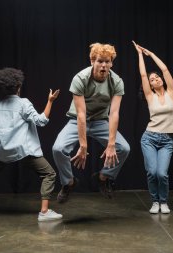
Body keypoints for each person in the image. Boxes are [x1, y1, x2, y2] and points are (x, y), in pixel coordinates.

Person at [0, 67, 62, 221]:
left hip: (1, 152)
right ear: (18, 86)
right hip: (24, 150)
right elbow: (41, 121)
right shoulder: (23, 103)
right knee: (49, 174)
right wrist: (50, 101)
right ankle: (44, 212)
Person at [52, 43, 130, 203]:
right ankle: (69, 183)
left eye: (107, 61)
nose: (104, 65)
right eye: (100, 61)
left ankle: (104, 177)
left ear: (111, 63)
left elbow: (114, 113)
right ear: (92, 61)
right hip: (77, 120)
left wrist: (111, 143)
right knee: (58, 149)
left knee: (123, 148)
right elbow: (81, 114)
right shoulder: (80, 78)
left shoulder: (116, 82)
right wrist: (83, 145)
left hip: (101, 121)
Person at [132, 41, 173, 214]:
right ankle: (155, 201)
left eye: (157, 77)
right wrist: (139, 55)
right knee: (152, 172)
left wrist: (150, 54)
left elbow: (165, 69)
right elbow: (143, 75)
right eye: (152, 79)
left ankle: (164, 201)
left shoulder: (171, 93)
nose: (155, 79)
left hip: (167, 140)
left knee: (162, 174)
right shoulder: (149, 96)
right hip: (149, 138)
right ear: (150, 85)